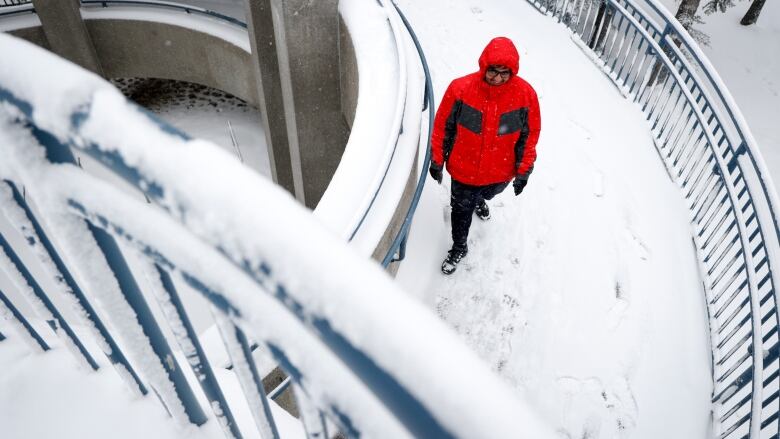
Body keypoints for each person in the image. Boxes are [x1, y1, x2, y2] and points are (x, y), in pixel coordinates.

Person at [429, 36, 541, 275]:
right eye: (493, 71)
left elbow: (529, 137)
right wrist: (437, 158)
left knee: (490, 193)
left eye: (504, 73)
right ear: (484, 66)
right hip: (463, 171)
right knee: (460, 211)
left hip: (500, 173)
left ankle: (481, 199)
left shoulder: (525, 95)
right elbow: (442, 127)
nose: (497, 78)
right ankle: (459, 246)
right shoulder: (460, 89)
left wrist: (523, 171)